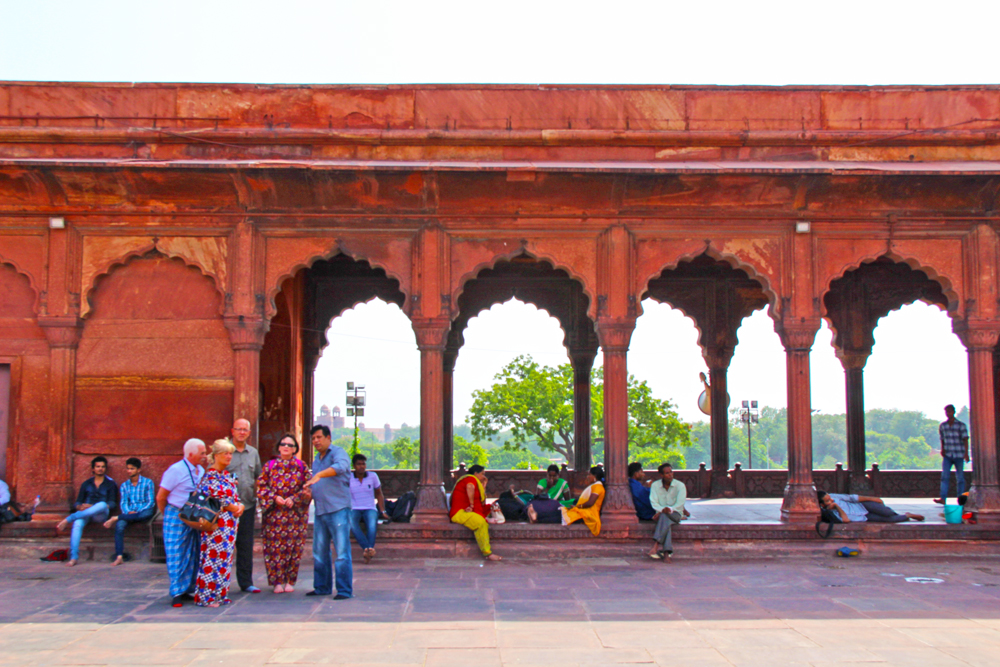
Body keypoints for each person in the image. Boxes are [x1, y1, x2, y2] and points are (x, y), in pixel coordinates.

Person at [256, 433, 311, 593]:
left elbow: (309, 486)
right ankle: (276, 582)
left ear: (295, 449)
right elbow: (261, 486)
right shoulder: (270, 466)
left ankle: (290, 581)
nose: (286, 447)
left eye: (290, 445)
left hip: (295, 515)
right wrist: (274, 497)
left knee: (294, 548)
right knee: (274, 549)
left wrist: (296, 498)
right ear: (279, 447)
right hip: (274, 515)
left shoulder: (301, 466)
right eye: (284, 444)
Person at [303, 424, 353, 598]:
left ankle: (344, 590)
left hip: (338, 509)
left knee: (341, 552)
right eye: (313, 438)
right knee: (319, 552)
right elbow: (317, 483)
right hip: (321, 510)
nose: (316, 441)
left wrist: (319, 475)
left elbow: (341, 466)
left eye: (319, 437)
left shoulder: (338, 452)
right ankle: (322, 587)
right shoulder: (317, 459)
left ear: (328, 437)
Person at [193, 439, 244, 608]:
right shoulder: (211, 476)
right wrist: (234, 507)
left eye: (230, 453)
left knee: (224, 559)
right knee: (212, 558)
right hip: (216, 524)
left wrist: (240, 506)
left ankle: (220, 595)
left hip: (229, 524)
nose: (229, 457)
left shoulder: (226, 475)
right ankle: (207, 596)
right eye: (225, 453)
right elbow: (218, 499)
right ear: (216, 456)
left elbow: (235, 496)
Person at [157, 438, 206, 607]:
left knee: (193, 551)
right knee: (176, 552)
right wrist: (169, 514)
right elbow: (161, 497)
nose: (205, 456)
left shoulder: (200, 470)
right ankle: (176, 591)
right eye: (202, 453)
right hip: (176, 512)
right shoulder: (176, 470)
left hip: (193, 514)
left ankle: (188, 588)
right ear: (191, 454)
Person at [56, 456, 118, 567]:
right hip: (86, 513)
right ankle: (74, 557)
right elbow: (78, 502)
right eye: (98, 467)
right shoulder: (86, 484)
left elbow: (112, 504)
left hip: (100, 514)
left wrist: (93, 506)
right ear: (93, 469)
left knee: (102, 504)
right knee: (77, 524)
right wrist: (80, 507)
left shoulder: (110, 484)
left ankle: (69, 518)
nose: (100, 469)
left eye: (103, 467)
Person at [226, 417, 262, 593]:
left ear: (249, 433)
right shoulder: (224, 452)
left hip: (247, 505)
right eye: (238, 429)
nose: (241, 432)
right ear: (232, 431)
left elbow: (257, 477)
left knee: (246, 545)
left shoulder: (253, 453)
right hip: (226, 508)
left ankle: (246, 582)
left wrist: (258, 498)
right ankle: (220, 583)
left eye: (245, 430)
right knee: (224, 546)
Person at [103, 457, 156, 566]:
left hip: (143, 512)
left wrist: (137, 512)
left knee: (146, 513)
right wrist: (128, 512)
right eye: (128, 469)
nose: (129, 471)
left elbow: (150, 502)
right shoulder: (124, 485)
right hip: (129, 514)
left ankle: (116, 517)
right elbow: (123, 503)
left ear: (138, 470)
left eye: (132, 469)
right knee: (119, 526)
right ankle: (119, 556)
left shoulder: (148, 482)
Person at [449, 464, 502, 562]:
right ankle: (487, 553)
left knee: (493, 506)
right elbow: (470, 487)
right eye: (482, 474)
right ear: (475, 473)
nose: (484, 477)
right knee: (481, 523)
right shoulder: (470, 478)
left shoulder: (476, 481)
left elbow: (482, 502)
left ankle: (488, 518)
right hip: (459, 513)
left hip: (466, 512)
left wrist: (484, 485)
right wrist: (472, 505)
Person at [349, 453, 389, 564]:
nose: (361, 466)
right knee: (352, 523)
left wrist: (383, 511)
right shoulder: (348, 477)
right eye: (358, 464)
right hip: (354, 508)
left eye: (363, 464)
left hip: (370, 508)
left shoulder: (373, 476)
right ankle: (368, 549)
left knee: (372, 525)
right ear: (354, 466)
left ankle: (368, 550)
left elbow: (379, 494)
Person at [648, 463, 686, 561]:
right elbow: (654, 502)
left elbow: (680, 504)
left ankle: (656, 545)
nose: (670, 475)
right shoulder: (655, 485)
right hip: (662, 514)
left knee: (664, 516)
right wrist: (662, 510)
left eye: (671, 472)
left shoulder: (680, 486)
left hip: (676, 514)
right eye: (667, 473)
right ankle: (666, 553)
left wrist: (668, 510)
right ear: (661, 475)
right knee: (665, 521)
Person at [934, 404, 970, 505]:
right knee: (945, 476)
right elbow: (942, 439)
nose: (948, 413)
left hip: (958, 453)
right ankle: (943, 498)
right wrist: (942, 449)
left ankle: (960, 499)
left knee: (960, 478)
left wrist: (966, 453)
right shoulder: (943, 426)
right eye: (946, 412)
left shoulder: (960, 425)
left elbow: (965, 439)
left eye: (949, 411)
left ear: (953, 412)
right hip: (948, 454)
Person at [556, 465, 606, 536]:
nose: (588, 477)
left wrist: (577, 507)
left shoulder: (598, 487)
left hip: (589, 514)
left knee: (558, 515)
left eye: (589, 474)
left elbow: (590, 503)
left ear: (595, 476)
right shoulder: (595, 486)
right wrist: (576, 507)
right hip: (583, 512)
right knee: (559, 513)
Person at [817, 491, 924, 523]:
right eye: (828, 501)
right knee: (890, 520)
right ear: (822, 505)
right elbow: (845, 520)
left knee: (887, 513)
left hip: (863, 506)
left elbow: (853, 498)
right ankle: (907, 516)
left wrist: (873, 499)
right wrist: (837, 507)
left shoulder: (835, 497)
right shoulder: (829, 514)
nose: (832, 500)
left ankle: (897, 513)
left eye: (830, 498)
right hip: (863, 517)